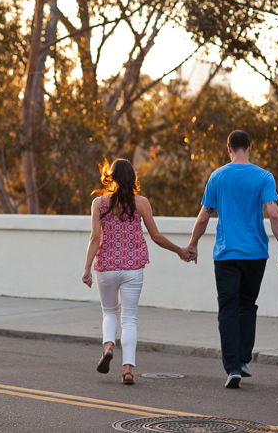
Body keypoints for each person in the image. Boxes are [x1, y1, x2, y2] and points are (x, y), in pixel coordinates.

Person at [187, 130, 278, 389]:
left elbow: (204, 216)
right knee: (247, 306)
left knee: (228, 309)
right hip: (256, 254)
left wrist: (192, 244)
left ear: (228, 147)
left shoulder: (217, 176)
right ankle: (244, 360)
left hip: (226, 255)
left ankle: (232, 367)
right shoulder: (264, 177)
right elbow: (274, 214)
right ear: (250, 147)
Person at [82, 158, 193, 385]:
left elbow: (95, 238)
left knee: (109, 313)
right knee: (129, 318)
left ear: (110, 177)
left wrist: (86, 269)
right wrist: (179, 251)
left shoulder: (98, 203)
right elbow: (156, 237)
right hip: (133, 268)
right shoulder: (141, 203)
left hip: (106, 266)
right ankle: (127, 370)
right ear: (133, 178)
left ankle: (108, 347)